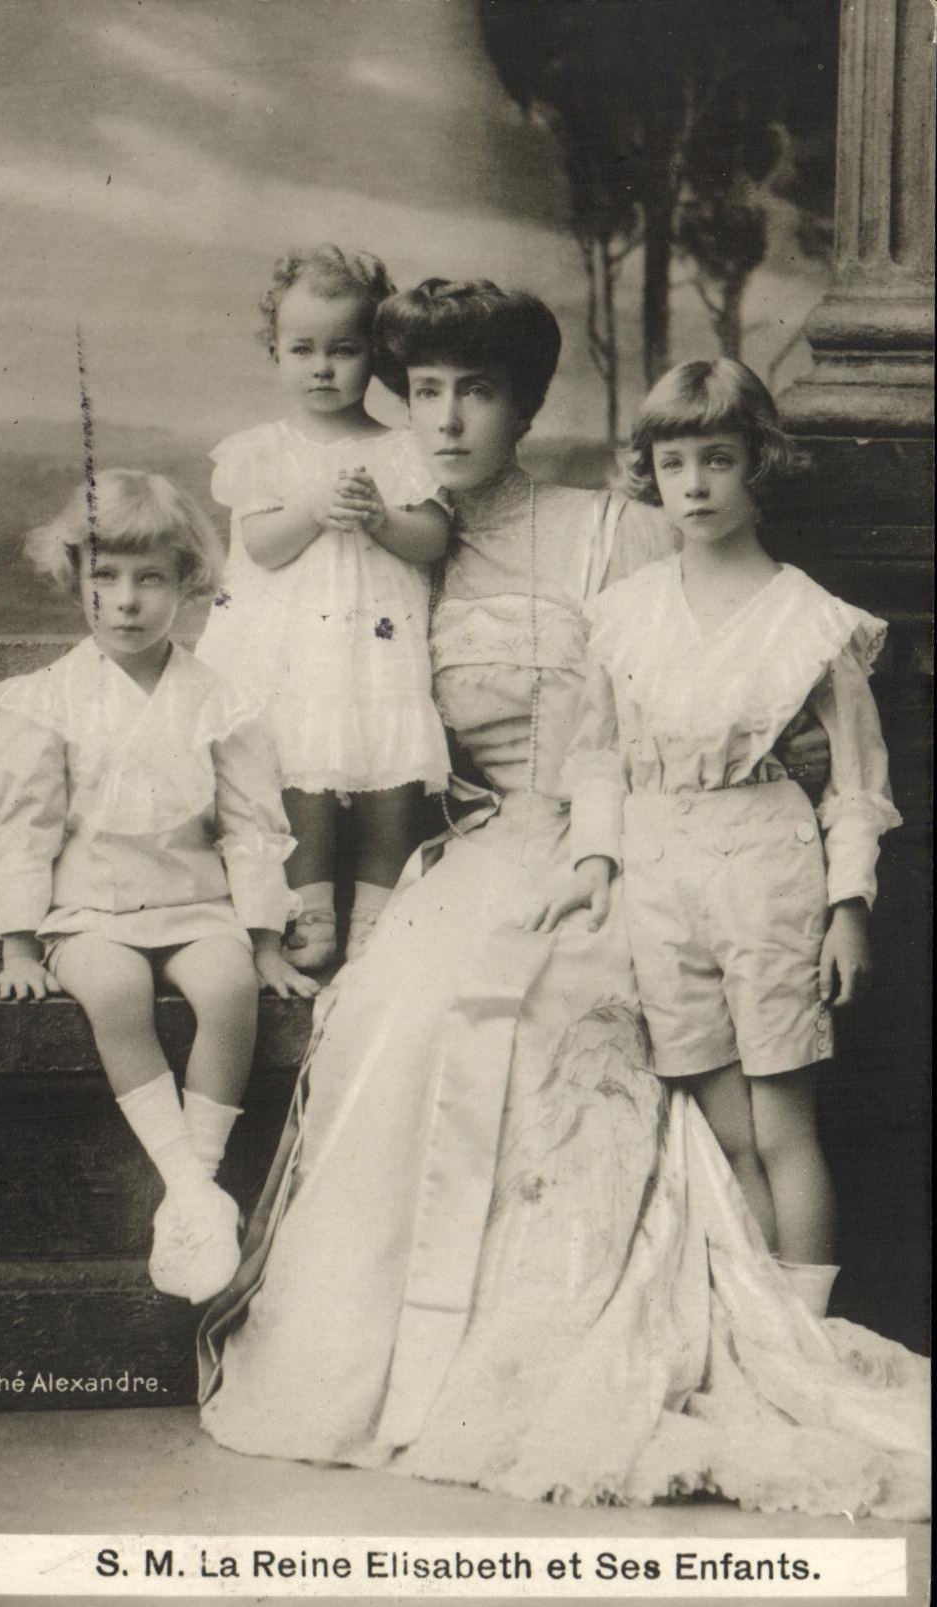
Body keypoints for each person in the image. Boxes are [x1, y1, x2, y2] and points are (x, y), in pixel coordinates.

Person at [198, 283, 928, 1519]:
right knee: (419, 1005)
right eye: (422, 390)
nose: (447, 419)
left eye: (477, 390)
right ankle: (428, 1367)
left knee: (576, 1008)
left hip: (639, 839)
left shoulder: (612, 528)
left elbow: (732, 680)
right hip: (469, 843)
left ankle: (666, 1334)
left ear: (527, 403)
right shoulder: (369, 528)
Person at [543, 360, 902, 1319]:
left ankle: (811, 1340)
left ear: (759, 466)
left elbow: (860, 788)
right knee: (725, 1126)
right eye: (671, 464)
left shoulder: (809, 620)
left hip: (767, 872)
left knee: (784, 1125)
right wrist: (594, 861)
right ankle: (762, 1329)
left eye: (717, 459)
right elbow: (595, 755)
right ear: (648, 475)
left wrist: (846, 910)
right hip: (660, 875)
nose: (693, 485)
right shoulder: (624, 613)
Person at [0, 470, 317, 1306]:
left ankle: (193, 1188)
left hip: (194, 905)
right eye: (105, 576)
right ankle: (190, 1183)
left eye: (150, 578)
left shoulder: (220, 700)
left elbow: (249, 825)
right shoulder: (50, 699)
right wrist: (21, 943)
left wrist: (267, 939)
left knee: (229, 986)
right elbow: (22, 825)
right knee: (116, 991)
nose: (126, 601)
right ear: (75, 582)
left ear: (188, 585)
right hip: (89, 911)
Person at [195, 245, 452, 969]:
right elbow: (262, 544)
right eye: (301, 348)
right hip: (292, 652)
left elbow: (432, 537)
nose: (321, 366)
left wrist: (381, 520)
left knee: (391, 777)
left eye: (343, 349)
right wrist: (310, 506)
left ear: (376, 355)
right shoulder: (261, 452)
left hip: (376, 648)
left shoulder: (405, 449)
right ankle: (308, 908)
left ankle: (378, 907)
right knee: (297, 772)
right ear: (273, 351)